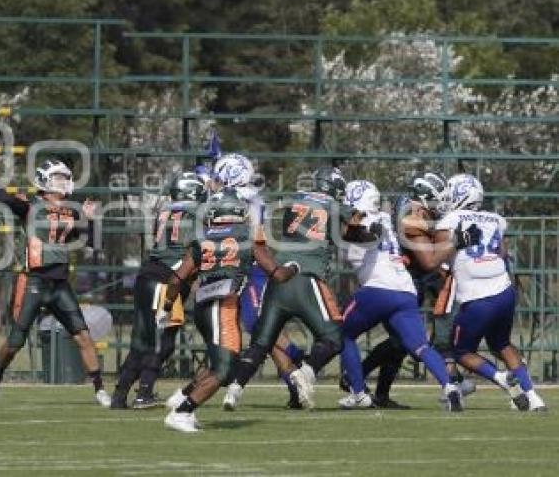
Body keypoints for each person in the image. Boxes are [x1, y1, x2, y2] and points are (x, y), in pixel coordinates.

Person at [162, 189, 300, 432]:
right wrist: (293, 268)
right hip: (223, 306)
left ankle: (182, 400)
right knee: (225, 369)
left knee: (220, 361)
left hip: (203, 308)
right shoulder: (247, 235)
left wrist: (166, 306)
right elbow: (278, 275)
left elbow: (175, 281)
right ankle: (182, 412)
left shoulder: (201, 238)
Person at [0, 158, 111, 407]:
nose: (64, 183)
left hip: (60, 284)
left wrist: (90, 219)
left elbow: (93, 241)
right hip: (34, 281)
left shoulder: (71, 210)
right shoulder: (30, 205)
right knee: (16, 341)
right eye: (58, 178)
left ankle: (99, 389)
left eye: (64, 178)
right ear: (44, 181)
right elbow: (3, 199)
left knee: (83, 336)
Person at [222, 166, 348, 410]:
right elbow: (346, 232)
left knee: (261, 343)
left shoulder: (295, 200)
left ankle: (234, 390)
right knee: (333, 338)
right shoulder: (333, 205)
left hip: (278, 278)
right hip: (305, 277)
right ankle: (305, 372)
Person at [336, 180, 463, 411]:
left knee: (341, 334)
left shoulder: (359, 222)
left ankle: (357, 392)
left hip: (377, 289)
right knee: (420, 346)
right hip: (405, 291)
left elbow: (357, 235)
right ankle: (450, 387)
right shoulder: (387, 218)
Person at [434, 174, 546, 411]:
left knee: (461, 351)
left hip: (477, 296)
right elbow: (502, 254)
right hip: (504, 291)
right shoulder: (496, 219)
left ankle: (501, 378)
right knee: (502, 344)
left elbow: (437, 261)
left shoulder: (450, 219)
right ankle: (534, 398)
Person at [111, 171, 207, 409]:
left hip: (147, 274)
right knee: (163, 341)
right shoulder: (195, 213)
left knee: (141, 340)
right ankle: (144, 393)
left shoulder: (166, 210)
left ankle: (120, 395)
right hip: (169, 278)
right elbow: (194, 251)